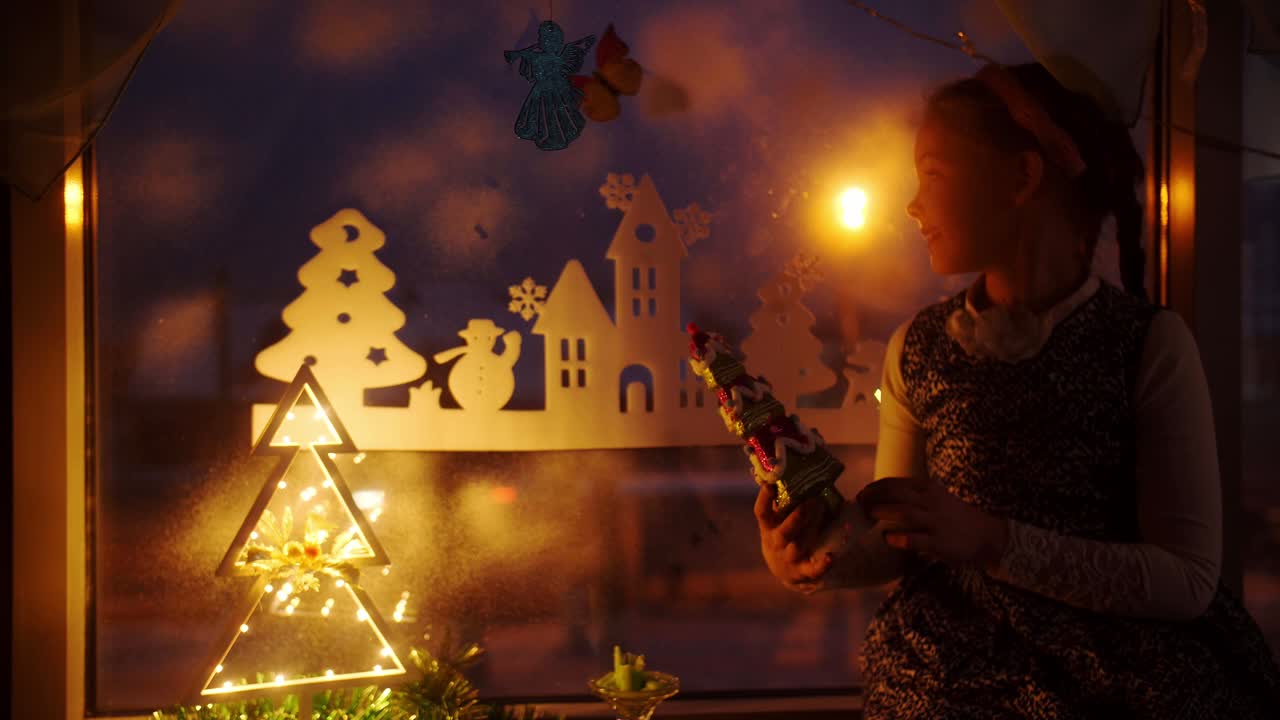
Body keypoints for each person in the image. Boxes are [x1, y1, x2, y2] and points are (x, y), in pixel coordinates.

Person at [754, 62, 1280, 718]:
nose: (913, 205)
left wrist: (994, 542)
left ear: (1022, 177)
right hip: (946, 674)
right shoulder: (917, 350)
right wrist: (810, 558)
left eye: (933, 175)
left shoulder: (1147, 345)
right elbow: (900, 539)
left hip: (1124, 680)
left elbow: (1188, 582)